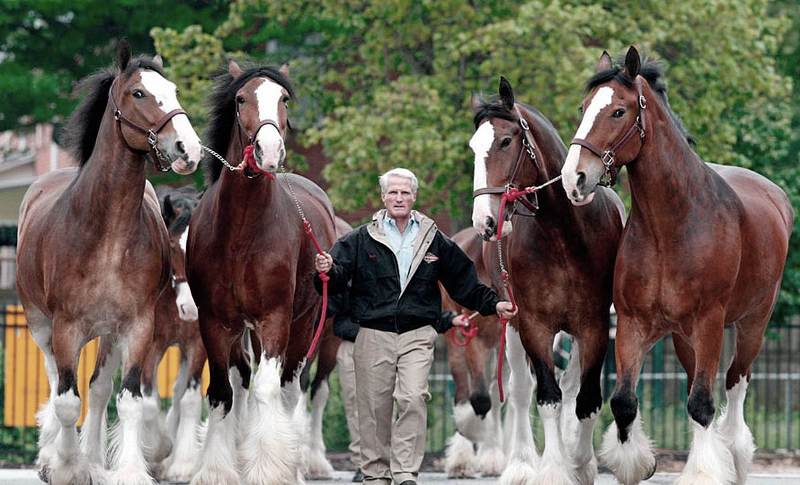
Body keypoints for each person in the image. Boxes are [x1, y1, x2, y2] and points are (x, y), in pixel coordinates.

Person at [315, 168, 516, 485]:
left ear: (414, 197)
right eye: (393, 192)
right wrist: (326, 270)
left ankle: (405, 472)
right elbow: (335, 280)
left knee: (413, 399)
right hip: (373, 334)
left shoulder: (434, 239)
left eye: (405, 192)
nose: (399, 198)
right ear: (383, 197)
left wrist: (494, 304)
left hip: (417, 333)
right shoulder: (359, 239)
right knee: (374, 408)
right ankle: (376, 474)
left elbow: (464, 283)